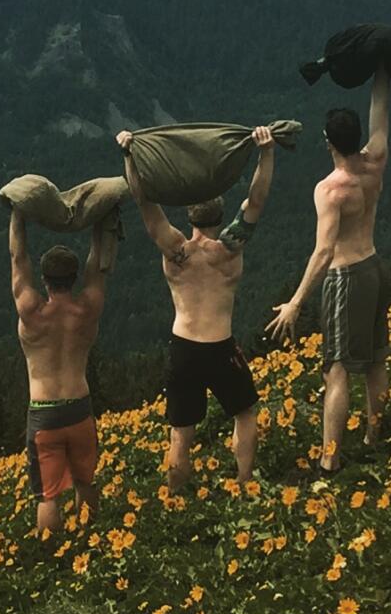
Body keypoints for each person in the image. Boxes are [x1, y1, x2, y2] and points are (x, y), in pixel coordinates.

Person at [118, 125, 276, 490]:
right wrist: (266, 153)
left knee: (180, 433)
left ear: (189, 218)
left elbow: (145, 204)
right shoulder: (230, 250)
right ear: (221, 216)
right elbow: (256, 201)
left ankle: (176, 499)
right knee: (245, 414)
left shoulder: (176, 251)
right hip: (221, 346)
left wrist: (130, 156)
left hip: (184, 347)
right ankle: (244, 483)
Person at [267, 69, 391, 474]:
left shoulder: (330, 189)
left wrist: (296, 302)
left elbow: (323, 252)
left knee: (337, 369)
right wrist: (380, 74)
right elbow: (382, 114)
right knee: (375, 361)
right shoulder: (376, 163)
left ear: (327, 143)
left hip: (346, 278)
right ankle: (375, 436)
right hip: (374, 265)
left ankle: (330, 459)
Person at [10, 210, 107, 536]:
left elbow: (17, 257)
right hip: (80, 406)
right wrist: (100, 223)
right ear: (74, 276)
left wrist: (18, 216)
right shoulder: (89, 308)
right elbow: (99, 266)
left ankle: (52, 561)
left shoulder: (30, 310)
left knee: (48, 496)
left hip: (44, 413)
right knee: (85, 482)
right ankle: (90, 541)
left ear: (45, 278)